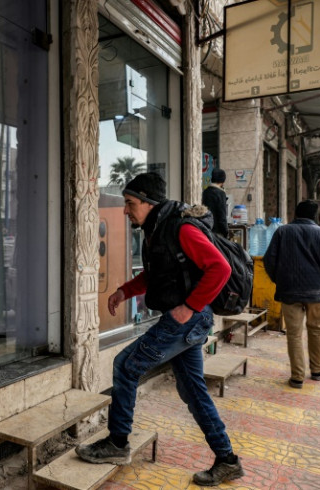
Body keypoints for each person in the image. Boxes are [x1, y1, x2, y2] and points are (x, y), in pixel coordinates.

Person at [75, 172, 244, 486]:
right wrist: (125, 291)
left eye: (129, 204)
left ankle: (117, 444)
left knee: (125, 365)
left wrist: (190, 307)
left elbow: (220, 268)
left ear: (148, 202)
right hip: (187, 321)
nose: (125, 211)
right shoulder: (157, 229)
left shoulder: (180, 229)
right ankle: (228, 460)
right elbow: (160, 275)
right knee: (194, 391)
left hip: (187, 320)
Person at [263, 200, 320, 389]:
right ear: (315, 216)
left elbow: (269, 260)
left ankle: (297, 377)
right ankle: (317, 371)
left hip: (289, 292)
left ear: (296, 214)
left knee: (294, 335)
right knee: (316, 331)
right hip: (315, 293)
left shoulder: (282, 231)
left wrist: (280, 280)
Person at [201, 168, 229, 237]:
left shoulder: (206, 192)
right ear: (222, 181)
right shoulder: (220, 193)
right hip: (217, 233)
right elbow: (222, 215)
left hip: (207, 230)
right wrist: (226, 232)